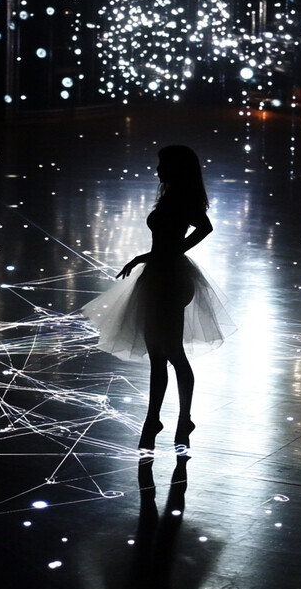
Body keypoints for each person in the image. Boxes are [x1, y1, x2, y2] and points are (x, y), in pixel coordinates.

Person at [80, 145, 234, 453]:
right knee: (159, 355)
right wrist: (154, 257)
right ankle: (156, 418)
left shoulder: (181, 198)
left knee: (172, 352)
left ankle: (179, 417)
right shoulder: (171, 195)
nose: (157, 170)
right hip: (160, 275)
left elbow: (205, 228)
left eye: (162, 165)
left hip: (171, 279)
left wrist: (157, 255)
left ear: (176, 168)